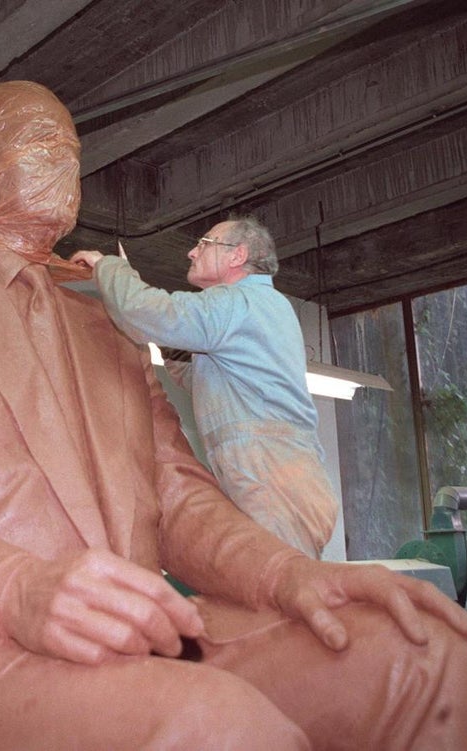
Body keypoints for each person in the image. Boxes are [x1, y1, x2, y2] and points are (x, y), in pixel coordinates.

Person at [0, 81, 467, 750]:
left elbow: (179, 498)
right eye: (40, 141)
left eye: (71, 152)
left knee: (430, 654)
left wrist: (288, 574)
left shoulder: (108, 329)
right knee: (215, 728)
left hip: (139, 638)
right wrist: (14, 588)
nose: (66, 162)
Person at [72, 219, 337, 558]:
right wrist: (165, 342)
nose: (191, 251)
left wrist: (109, 268)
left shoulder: (239, 303)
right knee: (265, 584)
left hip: (270, 470)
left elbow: (148, 312)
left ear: (237, 255)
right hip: (274, 467)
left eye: (205, 242)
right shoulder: (257, 308)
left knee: (281, 591)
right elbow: (203, 378)